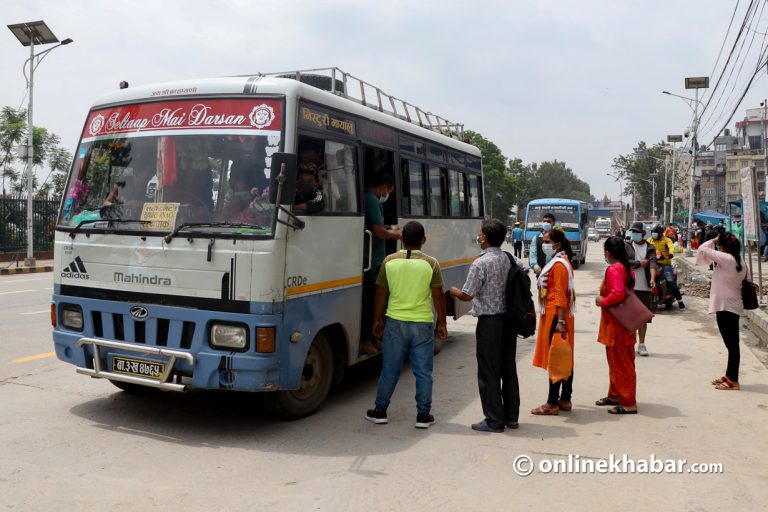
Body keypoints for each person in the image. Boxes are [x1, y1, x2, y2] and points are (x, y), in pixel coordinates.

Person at [366, 221, 448, 428]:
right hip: (422, 324)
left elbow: (381, 293)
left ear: (401, 239)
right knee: (423, 372)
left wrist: (377, 319)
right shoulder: (431, 263)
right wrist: (442, 323)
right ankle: (423, 415)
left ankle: (380, 411)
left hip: (395, 322)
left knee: (390, 370)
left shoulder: (389, 261)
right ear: (424, 240)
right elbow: (438, 297)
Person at [450, 218, 520, 433]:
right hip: (509, 322)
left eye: (480, 234)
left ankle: (493, 419)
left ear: (485, 237)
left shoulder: (480, 263)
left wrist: (453, 291)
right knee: (508, 369)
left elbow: (467, 294)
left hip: (490, 323)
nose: (478, 237)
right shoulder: (511, 259)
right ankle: (511, 416)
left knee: (489, 371)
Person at [530, 227, 576, 416]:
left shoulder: (558, 265)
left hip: (557, 317)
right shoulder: (560, 261)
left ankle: (552, 403)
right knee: (564, 355)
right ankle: (565, 398)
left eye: (547, 241)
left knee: (556, 357)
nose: (544, 244)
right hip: (560, 315)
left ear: (557, 244)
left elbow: (559, 295)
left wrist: (561, 322)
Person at [697, 232, 748, 390]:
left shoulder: (726, 259)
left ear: (724, 246)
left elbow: (702, 249)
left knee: (732, 345)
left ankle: (733, 380)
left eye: (720, 244)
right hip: (731, 305)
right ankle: (729, 375)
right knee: (732, 344)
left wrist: (714, 239)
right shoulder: (740, 261)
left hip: (726, 306)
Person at [595, 236, 638, 414]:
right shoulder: (626, 269)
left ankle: (628, 402)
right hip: (624, 322)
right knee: (616, 360)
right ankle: (615, 394)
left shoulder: (613, 269)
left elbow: (618, 294)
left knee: (622, 362)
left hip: (617, 325)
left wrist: (602, 301)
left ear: (608, 252)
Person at [361, 173, 402, 354]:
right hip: (372, 261)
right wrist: (397, 234)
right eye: (388, 191)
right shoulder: (371, 199)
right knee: (372, 303)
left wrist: (388, 229)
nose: (387, 195)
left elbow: (377, 226)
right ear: (383, 187)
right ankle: (367, 339)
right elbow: (377, 231)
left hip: (374, 259)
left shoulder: (371, 199)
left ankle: (375, 338)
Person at [625, 222, 657, 356]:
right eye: (633, 232)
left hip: (645, 287)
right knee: (629, 317)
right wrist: (639, 263)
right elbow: (624, 262)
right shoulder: (627, 246)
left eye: (637, 232)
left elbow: (652, 263)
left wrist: (652, 278)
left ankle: (642, 344)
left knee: (643, 318)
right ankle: (629, 343)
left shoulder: (650, 247)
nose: (635, 234)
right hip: (630, 287)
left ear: (643, 234)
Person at [649, 224, 685, 310]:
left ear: (661, 233)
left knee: (671, 280)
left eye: (655, 233)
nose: (654, 234)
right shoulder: (649, 240)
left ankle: (680, 301)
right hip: (652, 264)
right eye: (653, 232)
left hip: (665, 264)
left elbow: (671, 248)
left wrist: (669, 255)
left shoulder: (667, 240)